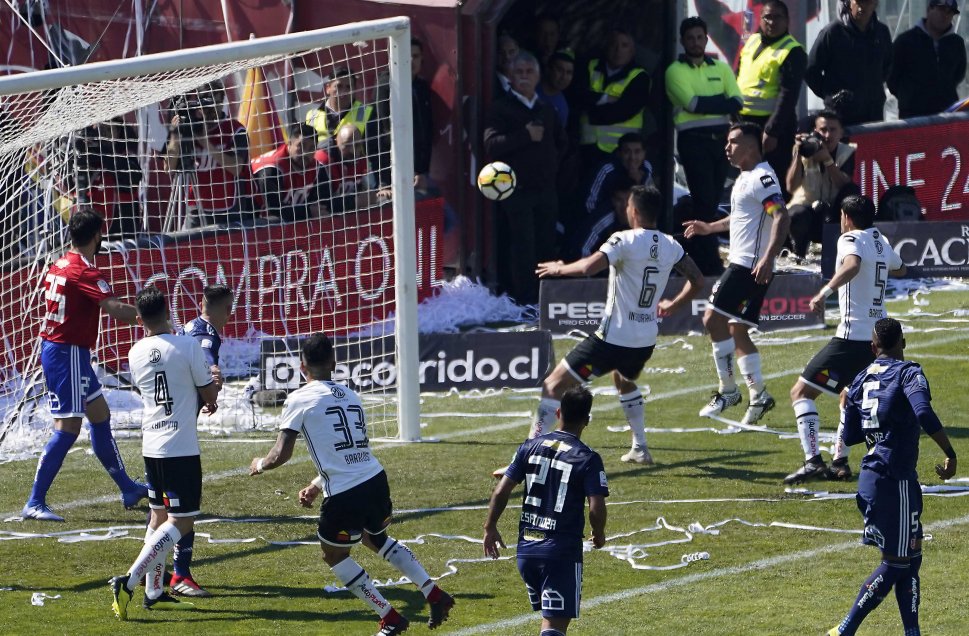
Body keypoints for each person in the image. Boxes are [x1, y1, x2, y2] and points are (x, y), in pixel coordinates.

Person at [248, 332, 455, 635]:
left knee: (334, 555)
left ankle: (389, 617)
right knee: (377, 539)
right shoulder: (350, 395)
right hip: (374, 480)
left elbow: (281, 453)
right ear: (334, 362)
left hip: (346, 494)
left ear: (302, 366)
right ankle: (433, 593)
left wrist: (260, 464)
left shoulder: (298, 398)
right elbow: (352, 449)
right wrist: (318, 483)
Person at [494, 185, 704, 477]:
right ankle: (641, 448)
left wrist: (558, 269)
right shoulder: (671, 245)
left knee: (553, 385)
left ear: (634, 211)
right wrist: (673, 304)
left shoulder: (623, 239)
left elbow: (589, 267)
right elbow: (697, 280)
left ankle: (528, 458)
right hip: (644, 340)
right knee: (624, 379)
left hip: (613, 339)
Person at [827, 318, 957, 636]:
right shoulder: (908, 371)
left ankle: (912, 632)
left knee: (911, 559)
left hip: (881, 477)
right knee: (896, 563)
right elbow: (923, 411)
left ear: (873, 348)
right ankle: (844, 630)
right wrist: (950, 453)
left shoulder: (860, 379)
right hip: (893, 479)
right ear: (904, 341)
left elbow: (853, 433)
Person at [22, 210, 147, 522]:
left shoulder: (61, 262)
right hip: (67, 354)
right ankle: (35, 501)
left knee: (100, 415)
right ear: (97, 236)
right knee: (68, 428)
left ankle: (127, 488)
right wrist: (152, 318)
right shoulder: (84, 271)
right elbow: (114, 308)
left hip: (68, 352)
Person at [110, 286, 219, 620]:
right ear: (169, 311)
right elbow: (208, 394)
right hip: (180, 447)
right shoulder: (186, 344)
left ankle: (154, 591)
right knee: (181, 521)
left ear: (139, 319)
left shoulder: (135, 352)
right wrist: (215, 382)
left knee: (157, 517)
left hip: (152, 446)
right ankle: (129, 580)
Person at [784, 195, 904, 485]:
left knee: (800, 392)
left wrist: (823, 293)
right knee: (848, 396)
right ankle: (839, 461)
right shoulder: (881, 241)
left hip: (852, 336)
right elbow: (900, 268)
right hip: (877, 337)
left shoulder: (849, 239)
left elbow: (851, 265)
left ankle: (813, 460)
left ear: (847, 218)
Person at [683, 122, 791, 427]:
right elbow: (742, 216)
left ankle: (728, 391)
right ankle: (759, 396)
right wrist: (710, 227)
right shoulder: (745, 177)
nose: (727, 147)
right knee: (737, 330)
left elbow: (781, 216)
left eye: (733, 142)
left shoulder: (762, 177)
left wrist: (769, 258)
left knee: (711, 320)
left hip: (748, 265)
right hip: (750, 264)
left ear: (751, 146)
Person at [484, 385, 608, 636]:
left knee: (549, 624)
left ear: (559, 412)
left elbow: (501, 490)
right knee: (554, 627)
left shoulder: (529, 446)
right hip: (559, 553)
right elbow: (596, 506)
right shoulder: (587, 458)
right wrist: (599, 533)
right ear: (587, 420)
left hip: (527, 551)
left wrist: (490, 527)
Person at [165, 283, 234, 597]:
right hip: (178, 434)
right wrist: (211, 384)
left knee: (162, 510)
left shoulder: (189, 325)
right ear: (225, 308)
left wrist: (205, 392)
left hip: (162, 427)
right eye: (230, 308)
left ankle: (148, 568)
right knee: (184, 509)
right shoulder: (206, 335)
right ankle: (180, 575)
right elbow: (206, 362)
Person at [483, 51, 566, 305]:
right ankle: (524, 299)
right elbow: (490, 145)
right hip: (515, 190)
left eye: (529, 72)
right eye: (519, 72)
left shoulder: (546, 109)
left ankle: (547, 296)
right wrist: (524, 135)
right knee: (522, 244)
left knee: (546, 243)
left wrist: (551, 166)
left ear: (538, 77)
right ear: (510, 76)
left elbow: (562, 144)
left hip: (545, 189)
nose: (524, 77)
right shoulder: (500, 108)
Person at [666, 16, 743, 277]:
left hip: (720, 142)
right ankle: (707, 263)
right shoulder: (674, 71)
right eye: (690, 38)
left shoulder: (720, 67)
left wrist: (710, 102)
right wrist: (718, 101)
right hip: (693, 141)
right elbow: (692, 104)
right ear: (682, 41)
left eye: (700, 37)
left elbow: (736, 102)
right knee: (704, 203)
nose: (696, 42)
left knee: (710, 204)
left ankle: (699, 261)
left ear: (706, 39)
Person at [735, 0, 805, 198]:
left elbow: (788, 95)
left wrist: (772, 131)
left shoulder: (792, 50)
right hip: (745, 123)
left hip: (772, 127)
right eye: (767, 17)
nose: (771, 22)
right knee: (748, 180)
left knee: (773, 181)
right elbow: (739, 77)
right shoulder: (752, 40)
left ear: (787, 21)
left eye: (777, 17)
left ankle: (780, 225)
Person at [166, 81, 252, 227]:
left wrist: (205, 142)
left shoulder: (235, 129)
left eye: (215, 101)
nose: (211, 107)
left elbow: (236, 169)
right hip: (195, 208)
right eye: (206, 100)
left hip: (227, 209)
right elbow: (169, 168)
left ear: (223, 100)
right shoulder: (188, 127)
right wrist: (175, 136)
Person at [805, 0, 892, 127]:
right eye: (859, 1)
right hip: (840, 117)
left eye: (868, 2)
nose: (862, 7)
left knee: (872, 147)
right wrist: (830, 96)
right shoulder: (832, 32)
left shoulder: (882, 32)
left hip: (873, 114)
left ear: (875, 4)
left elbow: (887, 66)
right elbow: (810, 70)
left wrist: (872, 90)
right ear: (849, 2)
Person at [786, 109, 859, 259]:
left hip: (832, 214)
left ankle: (841, 252)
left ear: (841, 133)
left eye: (833, 130)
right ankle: (798, 253)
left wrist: (828, 161)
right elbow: (790, 187)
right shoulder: (804, 149)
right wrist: (798, 155)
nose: (827, 135)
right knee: (796, 214)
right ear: (815, 132)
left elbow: (844, 185)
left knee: (853, 193)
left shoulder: (847, 151)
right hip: (808, 210)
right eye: (823, 130)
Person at [578, 28, 651, 165]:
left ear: (632, 50)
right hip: (585, 149)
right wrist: (606, 99)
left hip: (621, 154)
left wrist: (591, 110)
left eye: (624, 45)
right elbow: (578, 96)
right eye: (614, 44)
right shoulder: (590, 66)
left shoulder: (640, 77)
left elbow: (622, 111)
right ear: (607, 45)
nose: (618, 50)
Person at [888, 0, 967, 120]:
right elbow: (892, 78)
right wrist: (909, 97)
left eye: (950, 12)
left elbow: (958, 74)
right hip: (912, 117)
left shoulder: (956, 43)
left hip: (947, 115)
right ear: (929, 9)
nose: (945, 15)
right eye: (941, 9)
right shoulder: (905, 41)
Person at [251, 123, 328, 222]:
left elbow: (325, 203)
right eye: (301, 146)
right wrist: (308, 212)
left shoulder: (318, 169)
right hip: (254, 220)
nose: (305, 153)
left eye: (311, 148)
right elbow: (274, 209)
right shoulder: (271, 168)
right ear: (290, 144)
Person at [316, 123, 388, 213]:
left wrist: (381, 191)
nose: (353, 151)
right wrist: (355, 202)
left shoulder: (361, 159)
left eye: (357, 145)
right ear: (336, 142)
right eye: (347, 145)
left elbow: (372, 190)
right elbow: (321, 204)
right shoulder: (323, 161)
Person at [304, 66, 375, 152]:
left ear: (354, 90)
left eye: (348, 87)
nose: (343, 91)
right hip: (321, 164)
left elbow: (375, 152)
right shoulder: (312, 115)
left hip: (354, 164)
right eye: (339, 86)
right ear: (328, 88)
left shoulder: (366, 113)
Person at [537, 50, 575, 130]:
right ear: (548, 70)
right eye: (560, 70)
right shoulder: (529, 87)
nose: (564, 77)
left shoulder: (562, 108)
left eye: (569, 73)